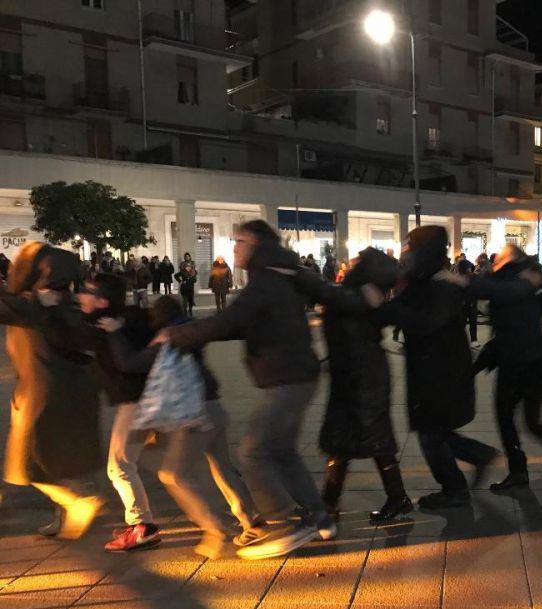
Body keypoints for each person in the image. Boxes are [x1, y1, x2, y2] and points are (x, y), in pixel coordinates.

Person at [157, 220, 354, 559]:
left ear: (257, 244)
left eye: (240, 241)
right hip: (295, 374)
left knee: (253, 453)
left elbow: (227, 321)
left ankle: (283, 525)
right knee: (283, 452)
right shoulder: (284, 272)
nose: (235, 248)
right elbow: (248, 322)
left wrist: (173, 335)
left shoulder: (265, 281)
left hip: (286, 379)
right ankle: (320, 518)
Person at [105, 294, 266, 558]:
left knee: (173, 475)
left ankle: (214, 531)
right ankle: (253, 522)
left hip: (194, 415)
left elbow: (130, 363)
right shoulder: (191, 333)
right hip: (214, 409)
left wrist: (114, 333)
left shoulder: (170, 340)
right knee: (222, 466)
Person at [379, 226, 497, 508]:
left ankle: (455, 488)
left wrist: (389, 307)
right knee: (435, 431)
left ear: (424, 251)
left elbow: (425, 321)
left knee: (430, 435)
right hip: (430, 370)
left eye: (410, 247)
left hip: (444, 373)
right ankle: (478, 455)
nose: (405, 251)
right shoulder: (420, 280)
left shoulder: (441, 284)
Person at [0, 243, 104, 539]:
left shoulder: (35, 303)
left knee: (30, 463)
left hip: (46, 392)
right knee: (47, 459)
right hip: (63, 389)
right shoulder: (67, 300)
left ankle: (76, 501)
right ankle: (65, 513)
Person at [438, 245, 542, 491]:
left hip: (519, 364)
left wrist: (458, 280)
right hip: (531, 360)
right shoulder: (519, 279)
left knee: (508, 418)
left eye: (501, 255)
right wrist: (475, 367)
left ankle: (520, 471)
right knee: (532, 421)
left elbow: (494, 290)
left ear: (509, 258)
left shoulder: (517, 281)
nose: (496, 258)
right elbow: (502, 330)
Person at [320, 248, 413, 522]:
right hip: (357, 374)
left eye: (358, 261)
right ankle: (329, 501)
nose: (352, 262)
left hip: (361, 376)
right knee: (347, 440)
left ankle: (333, 502)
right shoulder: (360, 296)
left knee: (371, 438)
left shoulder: (355, 296)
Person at [77, 273, 162, 552]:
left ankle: (142, 526)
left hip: (136, 403)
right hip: (151, 401)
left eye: (86, 291)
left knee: (119, 467)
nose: (80, 296)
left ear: (102, 300)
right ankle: (248, 517)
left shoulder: (106, 326)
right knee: (174, 467)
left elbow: (64, 334)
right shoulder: (129, 317)